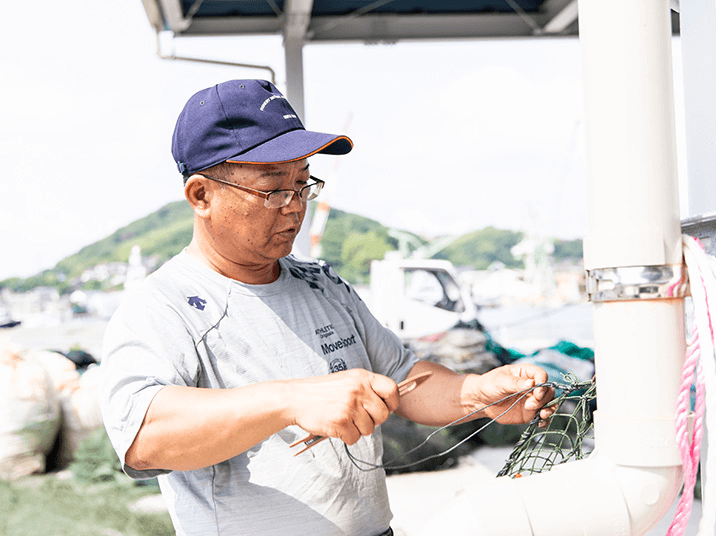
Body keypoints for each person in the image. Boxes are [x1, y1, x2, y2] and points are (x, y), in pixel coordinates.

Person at [100, 79, 555, 536]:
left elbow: (405, 378)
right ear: (202, 195)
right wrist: (288, 400)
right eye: (272, 190)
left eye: (302, 184)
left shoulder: (324, 285)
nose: (294, 208)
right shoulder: (163, 305)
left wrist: (479, 394)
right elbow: (143, 438)